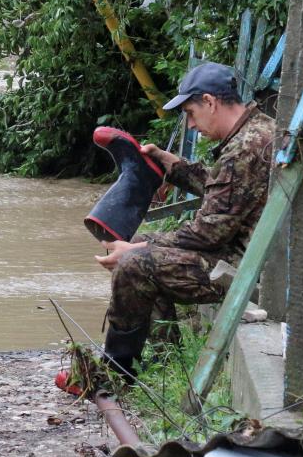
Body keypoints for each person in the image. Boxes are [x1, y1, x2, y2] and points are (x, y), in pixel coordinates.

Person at [94, 62, 275, 379]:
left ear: (210, 101)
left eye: (191, 113)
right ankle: (163, 366)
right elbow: (224, 191)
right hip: (248, 253)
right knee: (140, 252)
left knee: (135, 264)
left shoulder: (244, 148)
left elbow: (207, 234)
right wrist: (172, 165)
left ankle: (115, 373)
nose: (191, 124)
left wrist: (139, 249)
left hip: (243, 268)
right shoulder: (257, 130)